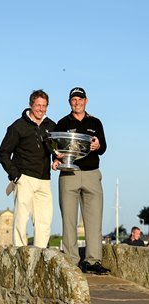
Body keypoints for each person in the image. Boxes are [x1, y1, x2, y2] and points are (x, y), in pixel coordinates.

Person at [52, 87, 109, 274]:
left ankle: (93, 261)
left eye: (80, 99)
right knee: (69, 219)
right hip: (69, 174)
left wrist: (98, 144)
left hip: (92, 173)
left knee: (94, 219)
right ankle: (72, 261)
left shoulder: (96, 122)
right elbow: (54, 147)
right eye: (74, 100)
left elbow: (103, 147)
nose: (77, 103)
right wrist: (56, 157)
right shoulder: (61, 123)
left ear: (86, 101)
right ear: (70, 102)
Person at [0, 89, 55, 248]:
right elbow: (2, 153)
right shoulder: (17, 126)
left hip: (44, 180)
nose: (41, 109)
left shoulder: (51, 125)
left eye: (44, 106)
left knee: (44, 221)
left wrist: (57, 160)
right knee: (21, 220)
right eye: (38, 105)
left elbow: (57, 149)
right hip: (24, 178)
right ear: (31, 105)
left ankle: (41, 254)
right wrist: (16, 176)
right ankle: (20, 253)